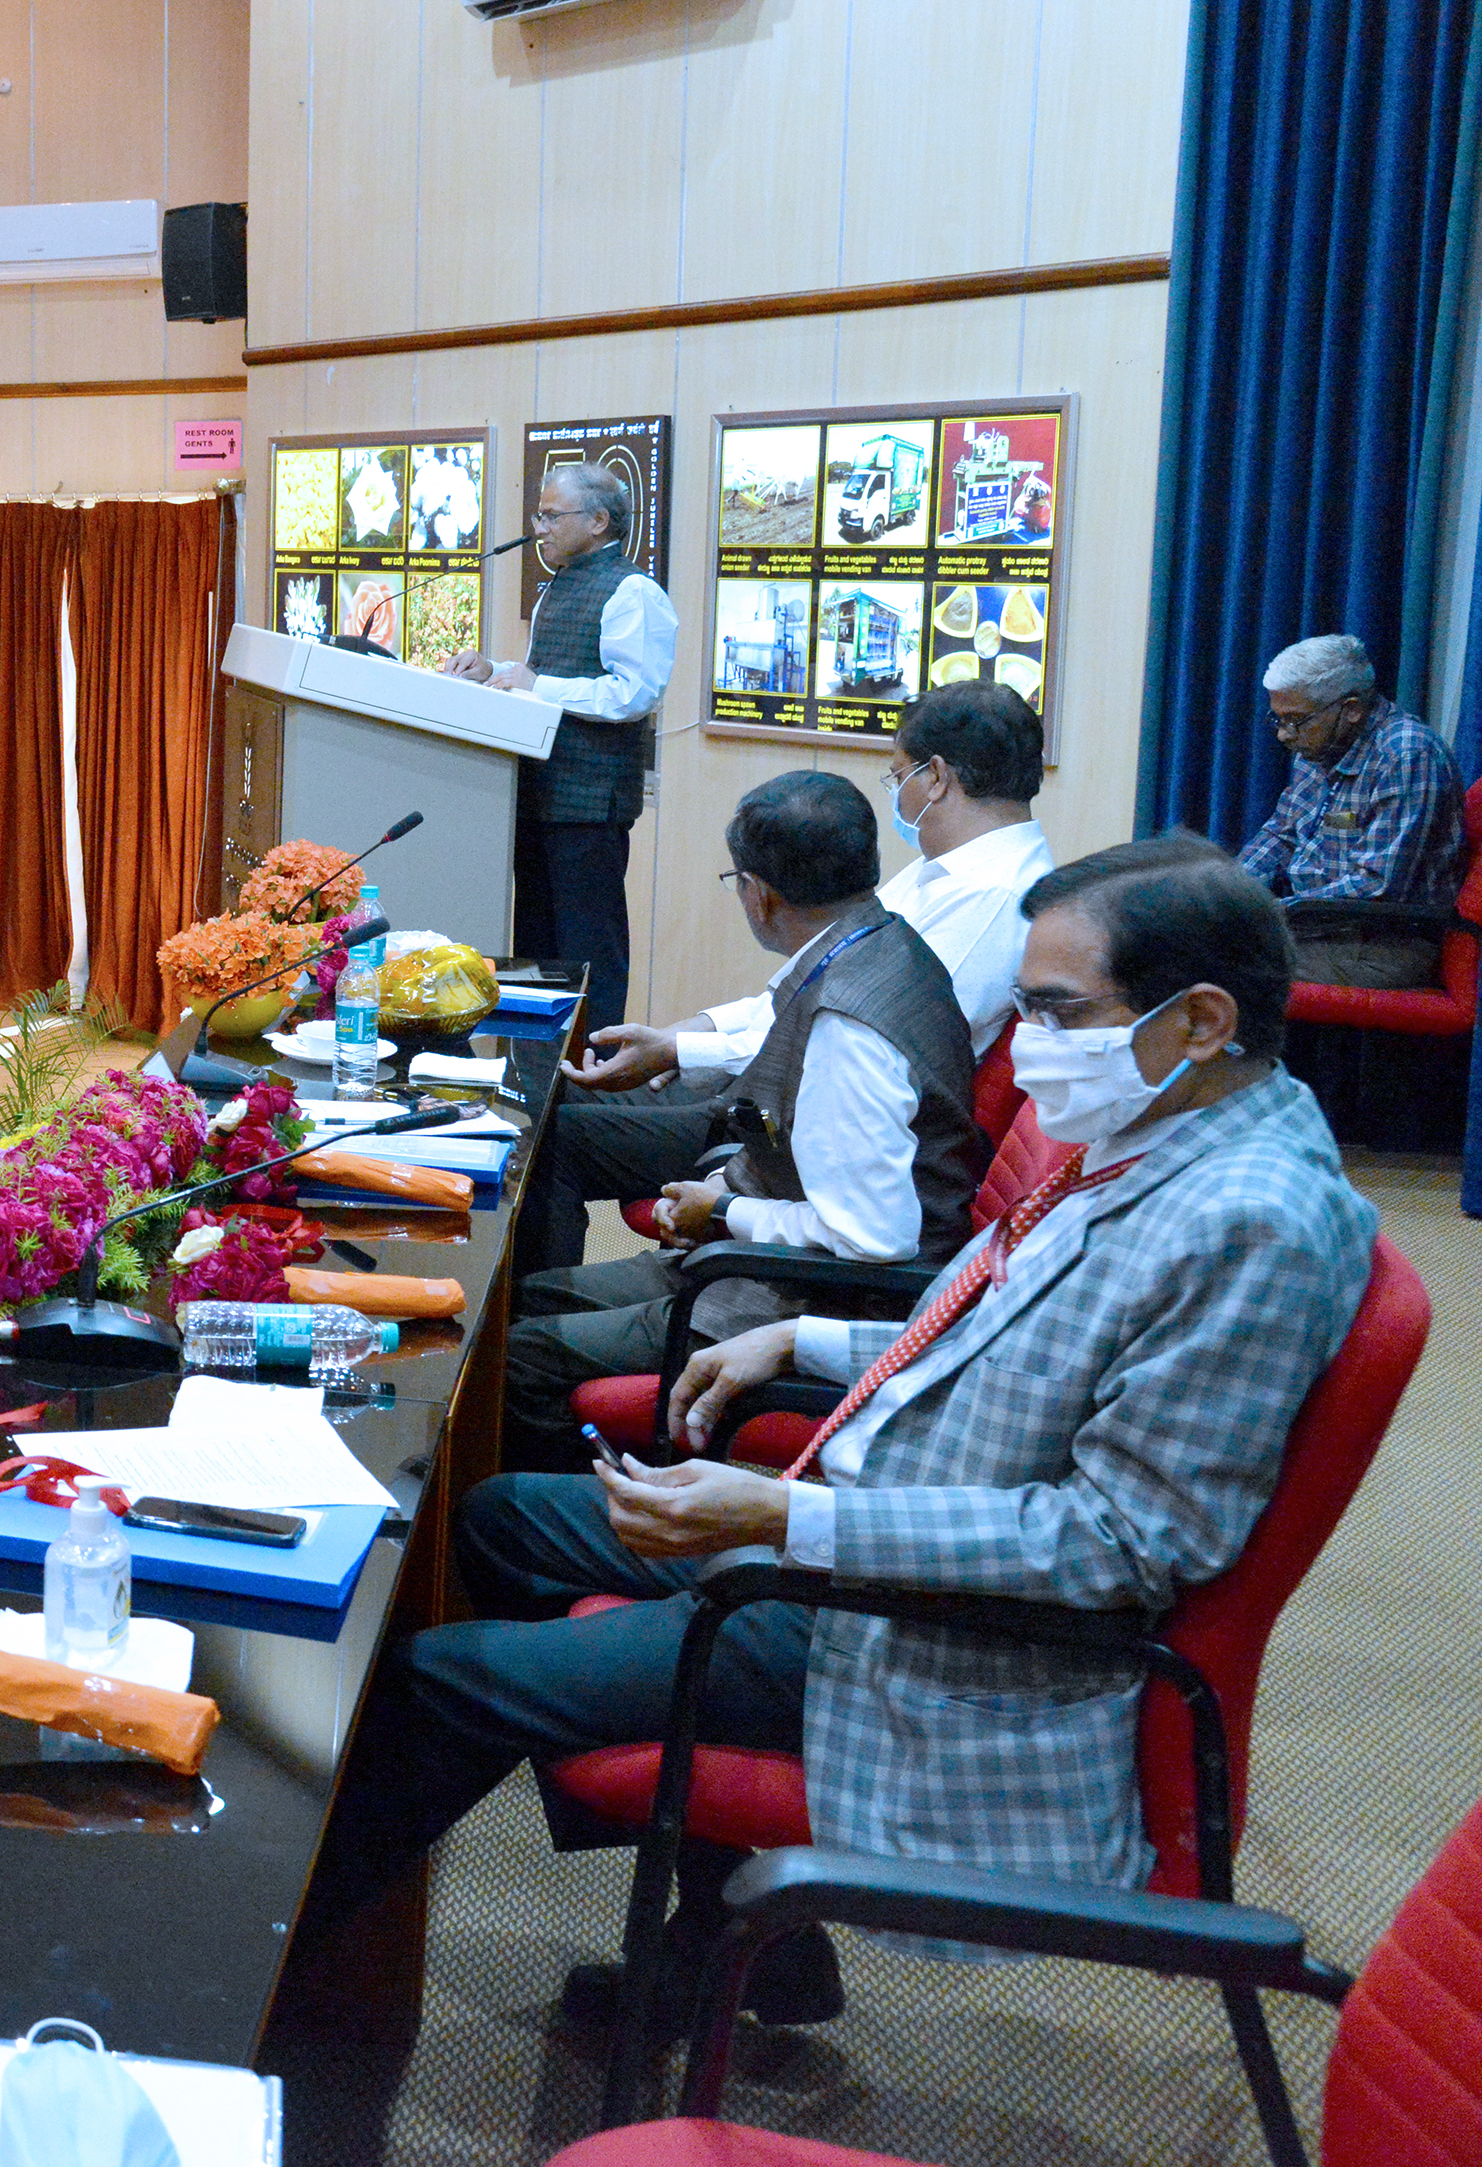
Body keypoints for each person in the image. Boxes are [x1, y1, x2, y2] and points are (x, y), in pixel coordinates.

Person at [310, 836, 1375, 2032]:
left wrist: (788, 1516)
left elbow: (1117, 1545)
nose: (1028, 1042)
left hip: (938, 1640)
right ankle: (732, 1937)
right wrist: (801, 1338)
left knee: (440, 1681)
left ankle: (280, 1992)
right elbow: (989, 1325)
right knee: (503, 1519)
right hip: (863, 1530)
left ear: (1203, 1020)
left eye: (1057, 1010)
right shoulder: (1167, 1134)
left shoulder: (1250, 1224)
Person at [501, 771, 980, 1471]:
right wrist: (723, 1194)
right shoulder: (880, 943)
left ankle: (579, 1514)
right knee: (527, 1299)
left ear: (758, 893)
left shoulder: (847, 1027)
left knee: (521, 1355)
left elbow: (874, 1240)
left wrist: (726, 1212)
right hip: (768, 1260)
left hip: (810, 1301)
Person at [538, 685, 1055, 1267]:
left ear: (934, 776)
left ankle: (520, 1307)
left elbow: (843, 1035)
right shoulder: (945, 872)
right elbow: (813, 984)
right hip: (782, 1099)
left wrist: (683, 1052)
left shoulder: (992, 900)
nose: (896, 793)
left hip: (806, 1136)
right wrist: (690, 1032)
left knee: (551, 1139)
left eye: (897, 775)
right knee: (552, 1101)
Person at [440, 460, 677, 1034]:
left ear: (598, 521)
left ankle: (592, 1064)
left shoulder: (633, 591)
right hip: (537, 796)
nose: (539, 528)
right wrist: (494, 671)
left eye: (551, 516)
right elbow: (549, 674)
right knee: (535, 952)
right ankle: (533, 1067)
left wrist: (535, 685)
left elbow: (634, 694)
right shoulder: (558, 587)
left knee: (588, 952)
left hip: (590, 806)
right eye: (538, 516)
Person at [1236, 632, 1467, 988]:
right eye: (1279, 719)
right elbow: (1280, 836)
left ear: (1352, 709)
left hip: (1384, 946)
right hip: (1315, 928)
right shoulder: (1317, 748)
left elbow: (1376, 886)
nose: (1284, 735)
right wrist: (1230, 891)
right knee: (1182, 939)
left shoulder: (1407, 756)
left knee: (1212, 964)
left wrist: (1274, 912)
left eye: (1296, 720)